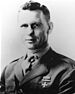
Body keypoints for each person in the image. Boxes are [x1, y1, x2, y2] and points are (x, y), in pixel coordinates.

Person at [0, 1, 75, 94]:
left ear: (50, 27)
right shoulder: (9, 69)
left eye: (35, 25)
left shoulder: (68, 70)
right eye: (24, 26)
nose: (29, 32)